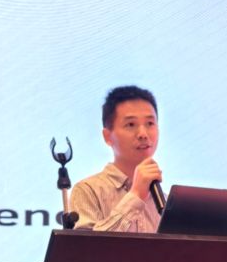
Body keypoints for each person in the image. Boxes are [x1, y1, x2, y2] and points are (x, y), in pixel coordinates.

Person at [70, 85, 163, 232]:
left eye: (150, 123)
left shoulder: (165, 201)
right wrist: (136, 195)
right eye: (131, 124)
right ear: (107, 136)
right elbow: (88, 246)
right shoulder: (88, 190)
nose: (143, 134)